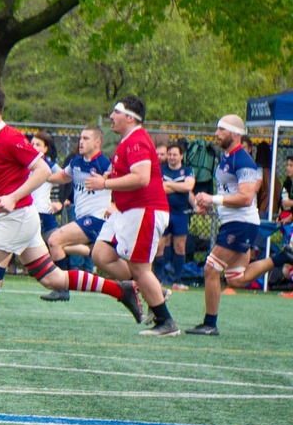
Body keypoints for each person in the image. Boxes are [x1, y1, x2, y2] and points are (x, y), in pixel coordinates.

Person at [0, 84, 143, 357]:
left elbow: (42, 169)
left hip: (17, 218)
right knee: (53, 279)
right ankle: (121, 289)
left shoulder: (9, 137)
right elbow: (0, 172)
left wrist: (13, 196)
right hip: (16, 219)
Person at [81, 96, 177, 334]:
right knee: (101, 254)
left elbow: (141, 178)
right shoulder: (129, 141)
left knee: (139, 268)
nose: (111, 117)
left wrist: (104, 183)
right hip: (128, 211)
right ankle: (152, 289)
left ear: (130, 118)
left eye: (115, 112)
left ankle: (166, 321)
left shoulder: (136, 140)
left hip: (145, 210)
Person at [186, 116, 272, 334]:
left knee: (211, 268)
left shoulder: (242, 160)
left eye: (221, 129)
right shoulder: (227, 157)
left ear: (235, 134)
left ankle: (209, 324)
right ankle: (282, 257)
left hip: (240, 223)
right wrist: (209, 204)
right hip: (234, 222)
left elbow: (245, 197)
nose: (216, 133)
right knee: (236, 278)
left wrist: (212, 199)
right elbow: (229, 193)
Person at [38, 127, 113, 302]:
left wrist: (114, 202)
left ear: (97, 143)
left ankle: (62, 288)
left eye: (86, 138)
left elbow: (119, 182)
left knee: (54, 240)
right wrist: (40, 176)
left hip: (96, 219)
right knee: (117, 261)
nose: (81, 142)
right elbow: (63, 177)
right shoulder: (77, 162)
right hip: (84, 219)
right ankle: (154, 290)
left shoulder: (105, 164)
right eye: (80, 138)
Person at [160, 140, 196, 284]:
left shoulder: (187, 170)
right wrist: (178, 186)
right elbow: (160, 189)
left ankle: (177, 280)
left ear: (181, 156)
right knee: (160, 246)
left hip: (180, 213)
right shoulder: (161, 169)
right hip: (163, 212)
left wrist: (168, 184)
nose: (172, 157)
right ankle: (159, 278)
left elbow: (188, 187)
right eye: (169, 154)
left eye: (175, 155)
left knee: (180, 246)